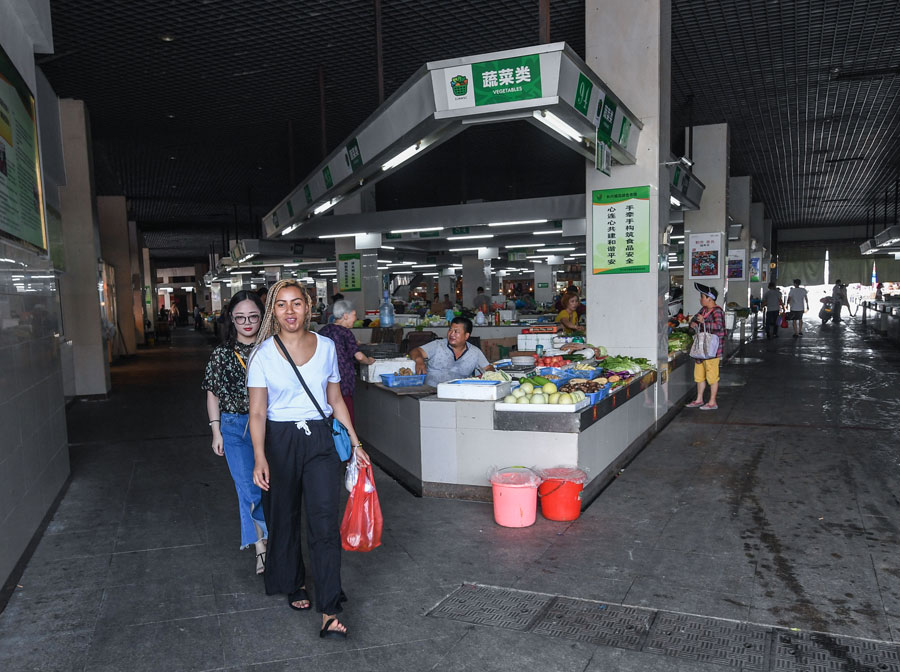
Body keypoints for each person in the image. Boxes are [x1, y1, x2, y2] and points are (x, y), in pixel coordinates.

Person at [248, 279, 369, 639]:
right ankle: (294, 582)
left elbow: (335, 398)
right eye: (282, 304)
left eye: (296, 303)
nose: (290, 311)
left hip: (318, 438)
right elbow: (257, 412)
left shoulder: (328, 346)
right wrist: (259, 457)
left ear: (308, 307)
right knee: (283, 516)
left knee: (323, 521)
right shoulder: (262, 354)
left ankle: (330, 607)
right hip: (279, 439)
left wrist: (355, 441)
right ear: (274, 310)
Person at [202, 291, 269, 574]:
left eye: (253, 316)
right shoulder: (222, 353)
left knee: (269, 488)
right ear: (231, 319)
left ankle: (269, 542)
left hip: (270, 426)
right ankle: (262, 547)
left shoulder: (271, 348)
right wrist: (216, 431)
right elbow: (212, 393)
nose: (247, 323)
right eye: (240, 317)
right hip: (233, 427)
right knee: (248, 488)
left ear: (262, 316)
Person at [318, 299, 375, 422]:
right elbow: (359, 357)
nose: (355, 319)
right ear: (345, 315)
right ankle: (346, 441)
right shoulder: (345, 332)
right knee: (345, 417)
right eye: (354, 315)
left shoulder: (324, 331)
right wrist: (368, 361)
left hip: (323, 381)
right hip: (343, 382)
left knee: (329, 417)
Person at [409, 316, 493, 386]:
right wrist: (419, 360)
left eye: (456, 331)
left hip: (458, 394)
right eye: (450, 330)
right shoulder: (438, 345)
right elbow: (415, 351)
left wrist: (486, 376)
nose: (451, 334)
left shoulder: (475, 352)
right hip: (431, 393)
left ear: (466, 336)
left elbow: (489, 368)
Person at [686, 283, 726, 411]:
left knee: (712, 376)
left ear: (710, 298)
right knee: (699, 376)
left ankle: (712, 402)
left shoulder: (718, 311)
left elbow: (719, 327)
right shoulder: (703, 310)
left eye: (702, 296)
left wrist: (704, 322)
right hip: (700, 349)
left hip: (712, 350)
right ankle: (699, 399)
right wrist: (693, 323)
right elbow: (694, 320)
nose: (700, 299)